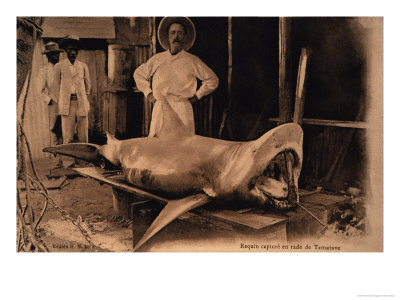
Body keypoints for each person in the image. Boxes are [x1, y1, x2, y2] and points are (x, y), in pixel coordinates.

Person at [134, 17, 219, 136]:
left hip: (182, 107)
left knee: (182, 145)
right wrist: (148, 93)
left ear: (185, 37)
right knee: (158, 143)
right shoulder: (158, 59)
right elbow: (139, 74)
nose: (176, 36)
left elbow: (212, 80)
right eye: (173, 33)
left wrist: (197, 96)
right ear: (168, 36)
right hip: (161, 107)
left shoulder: (192, 60)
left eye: (180, 33)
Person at [53, 34, 91, 168]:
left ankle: (84, 162)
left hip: (81, 104)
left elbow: (88, 86)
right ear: (65, 50)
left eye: (76, 50)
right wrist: (62, 101)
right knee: (67, 136)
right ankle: (68, 163)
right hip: (67, 105)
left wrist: (83, 98)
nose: (73, 52)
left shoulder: (83, 66)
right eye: (70, 49)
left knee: (83, 135)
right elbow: (54, 87)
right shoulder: (59, 66)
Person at [38, 42, 63, 167]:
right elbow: (40, 90)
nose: (55, 57)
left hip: (66, 103)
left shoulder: (64, 67)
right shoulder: (44, 71)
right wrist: (49, 100)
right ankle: (56, 162)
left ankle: (67, 160)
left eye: (57, 54)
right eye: (52, 55)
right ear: (47, 56)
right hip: (53, 105)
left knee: (66, 131)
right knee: (55, 132)